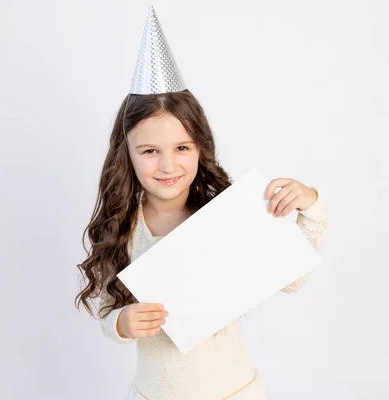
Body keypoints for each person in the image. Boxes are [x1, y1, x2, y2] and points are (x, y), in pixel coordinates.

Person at [76, 6, 329, 399]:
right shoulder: (121, 230)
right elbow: (106, 308)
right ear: (126, 153)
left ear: (200, 148)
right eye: (149, 151)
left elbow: (293, 280)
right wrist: (122, 324)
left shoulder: (225, 215)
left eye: (181, 147)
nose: (167, 165)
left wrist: (310, 205)